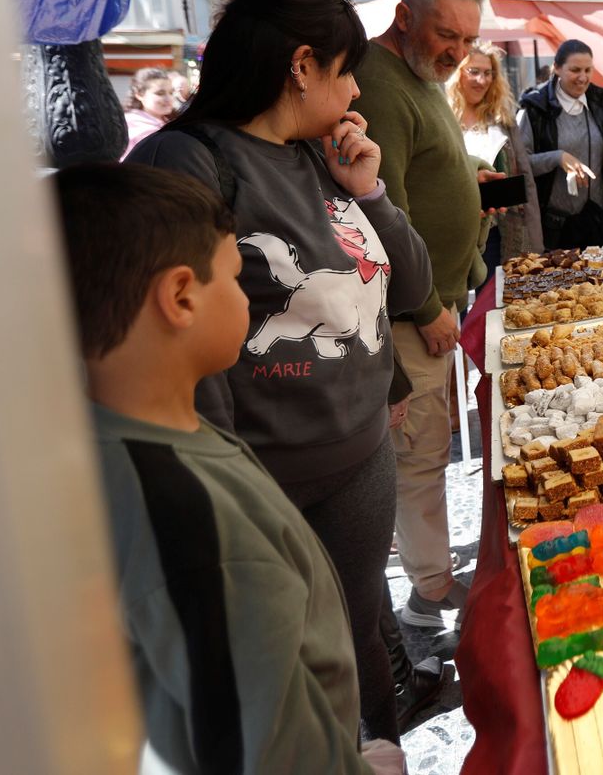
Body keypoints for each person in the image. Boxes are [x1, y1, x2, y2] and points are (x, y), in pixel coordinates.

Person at [128, 0, 433, 744]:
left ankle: (379, 747)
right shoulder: (186, 161)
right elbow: (179, 358)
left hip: (360, 458)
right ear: (302, 66)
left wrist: (370, 192)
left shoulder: (320, 155)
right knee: (289, 668)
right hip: (268, 479)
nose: (356, 88)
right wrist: (234, 492)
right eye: (347, 69)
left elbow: (409, 287)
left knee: (356, 637)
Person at [54, 162, 403, 774]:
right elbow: (262, 748)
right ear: (181, 297)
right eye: (236, 279)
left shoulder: (139, 443)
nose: (247, 298)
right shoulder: (187, 518)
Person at [350, 0, 502, 628]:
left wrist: (470, 173)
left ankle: (430, 577)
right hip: (411, 312)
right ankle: (428, 594)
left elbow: (424, 162)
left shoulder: (418, 75)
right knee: (420, 454)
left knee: (431, 448)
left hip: (433, 297)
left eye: (468, 40)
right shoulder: (381, 82)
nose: (458, 53)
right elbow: (381, 213)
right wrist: (427, 307)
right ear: (404, 17)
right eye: (447, 35)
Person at [448, 40, 543, 268]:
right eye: (474, 71)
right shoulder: (444, 118)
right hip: (455, 228)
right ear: (458, 73)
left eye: (488, 73)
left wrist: (534, 239)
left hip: (500, 229)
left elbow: (525, 177)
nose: (482, 80)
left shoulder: (503, 119)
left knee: (495, 287)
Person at [519, 38, 603, 249]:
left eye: (588, 70)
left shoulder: (598, 105)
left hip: (596, 222)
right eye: (575, 70)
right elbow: (520, 164)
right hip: (553, 226)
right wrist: (557, 157)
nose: (583, 77)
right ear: (557, 68)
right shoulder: (535, 108)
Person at [122, 67, 178, 156]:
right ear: (139, 95)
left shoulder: (165, 121)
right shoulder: (138, 127)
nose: (169, 99)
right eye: (160, 93)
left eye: (171, 93)